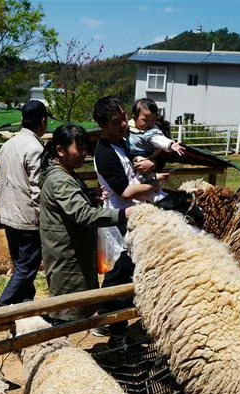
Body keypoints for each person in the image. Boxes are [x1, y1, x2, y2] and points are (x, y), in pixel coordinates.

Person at [39, 124, 135, 323]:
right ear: (60, 150)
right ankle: (55, 348)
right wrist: (123, 213)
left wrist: (89, 196)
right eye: (78, 148)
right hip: (67, 253)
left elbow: (72, 204)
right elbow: (83, 214)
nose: (84, 154)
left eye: (85, 148)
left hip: (74, 249)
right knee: (66, 308)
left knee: (75, 303)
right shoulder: (60, 179)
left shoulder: (65, 172)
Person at [92, 96, 166, 341]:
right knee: (119, 269)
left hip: (136, 212)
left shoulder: (124, 143)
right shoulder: (104, 153)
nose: (124, 123)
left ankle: (119, 319)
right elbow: (124, 191)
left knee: (130, 267)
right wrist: (154, 185)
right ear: (103, 125)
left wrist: (152, 166)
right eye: (116, 121)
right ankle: (107, 319)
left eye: (124, 117)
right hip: (120, 216)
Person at [0, 100, 50, 306]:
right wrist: (43, 218)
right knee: (28, 267)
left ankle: (24, 306)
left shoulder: (7, 145)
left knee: (21, 266)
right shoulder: (36, 148)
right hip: (28, 219)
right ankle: (3, 306)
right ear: (43, 121)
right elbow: (37, 188)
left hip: (9, 215)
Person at [128, 97, 185, 170]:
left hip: (144, 159)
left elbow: (159, 140)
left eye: (153, 119)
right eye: (145, 120)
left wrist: (170, 145)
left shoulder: (151, 132)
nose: (150, 123)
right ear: (135, 118)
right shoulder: (128, 127)